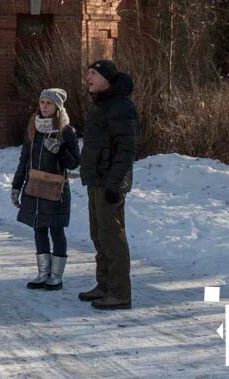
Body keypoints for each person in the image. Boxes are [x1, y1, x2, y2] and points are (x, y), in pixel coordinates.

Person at [78, 58, 138, 310]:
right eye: (88, 73)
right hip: (97, 180)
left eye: (93, 73)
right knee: (99, 235)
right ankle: (103, 285)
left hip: (110, 183)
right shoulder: (101, 105)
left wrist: (115, 184)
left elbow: (126, 149)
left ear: (107, 78)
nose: (88, 78)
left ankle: (119, 293)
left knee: (112, 237)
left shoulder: (120, 106)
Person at [10, 87, 80, 290]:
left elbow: (74, 163)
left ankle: (56, 275)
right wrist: (16, 186)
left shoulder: (66, 130)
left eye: (49, 103)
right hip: (34, 187)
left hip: (56, 190)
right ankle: (42, 273)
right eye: (42, 102)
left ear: (57, 106)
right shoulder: (33, 128)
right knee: (38, 229)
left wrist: (59, 151)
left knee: (56, 231)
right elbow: (25, 160)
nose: (44, 106)